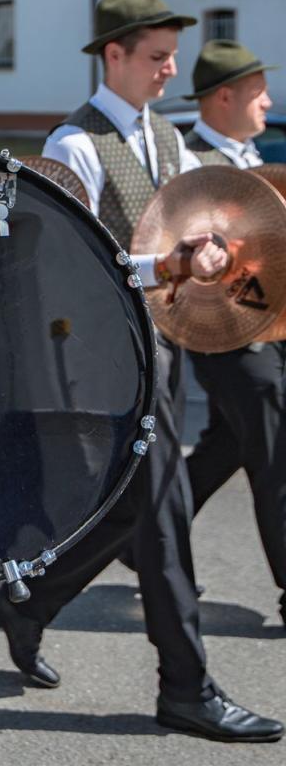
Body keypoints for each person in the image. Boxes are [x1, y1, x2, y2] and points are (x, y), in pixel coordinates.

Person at [0, 0, 282, 742]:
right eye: (155, 55)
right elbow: (69, 265)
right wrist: (167, 263)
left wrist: (211, 253)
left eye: (172, 55)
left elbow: (191, 235)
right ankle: (185, 687)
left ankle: (25, 603)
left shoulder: (170, 140)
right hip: (109, 357)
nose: (168, 67)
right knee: (163, 520)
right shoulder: (73, 144)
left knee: (131, 511)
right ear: (112, 55)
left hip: (168, 349)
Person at [179, 39, 285, 630]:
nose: (267, 101)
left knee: (227, 444)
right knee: (276, 453)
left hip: (270, 326)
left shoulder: (250, 157)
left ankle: (145, 532)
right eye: (257, 91)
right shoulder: (195, 166)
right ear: (225, 96)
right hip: (230, 333)